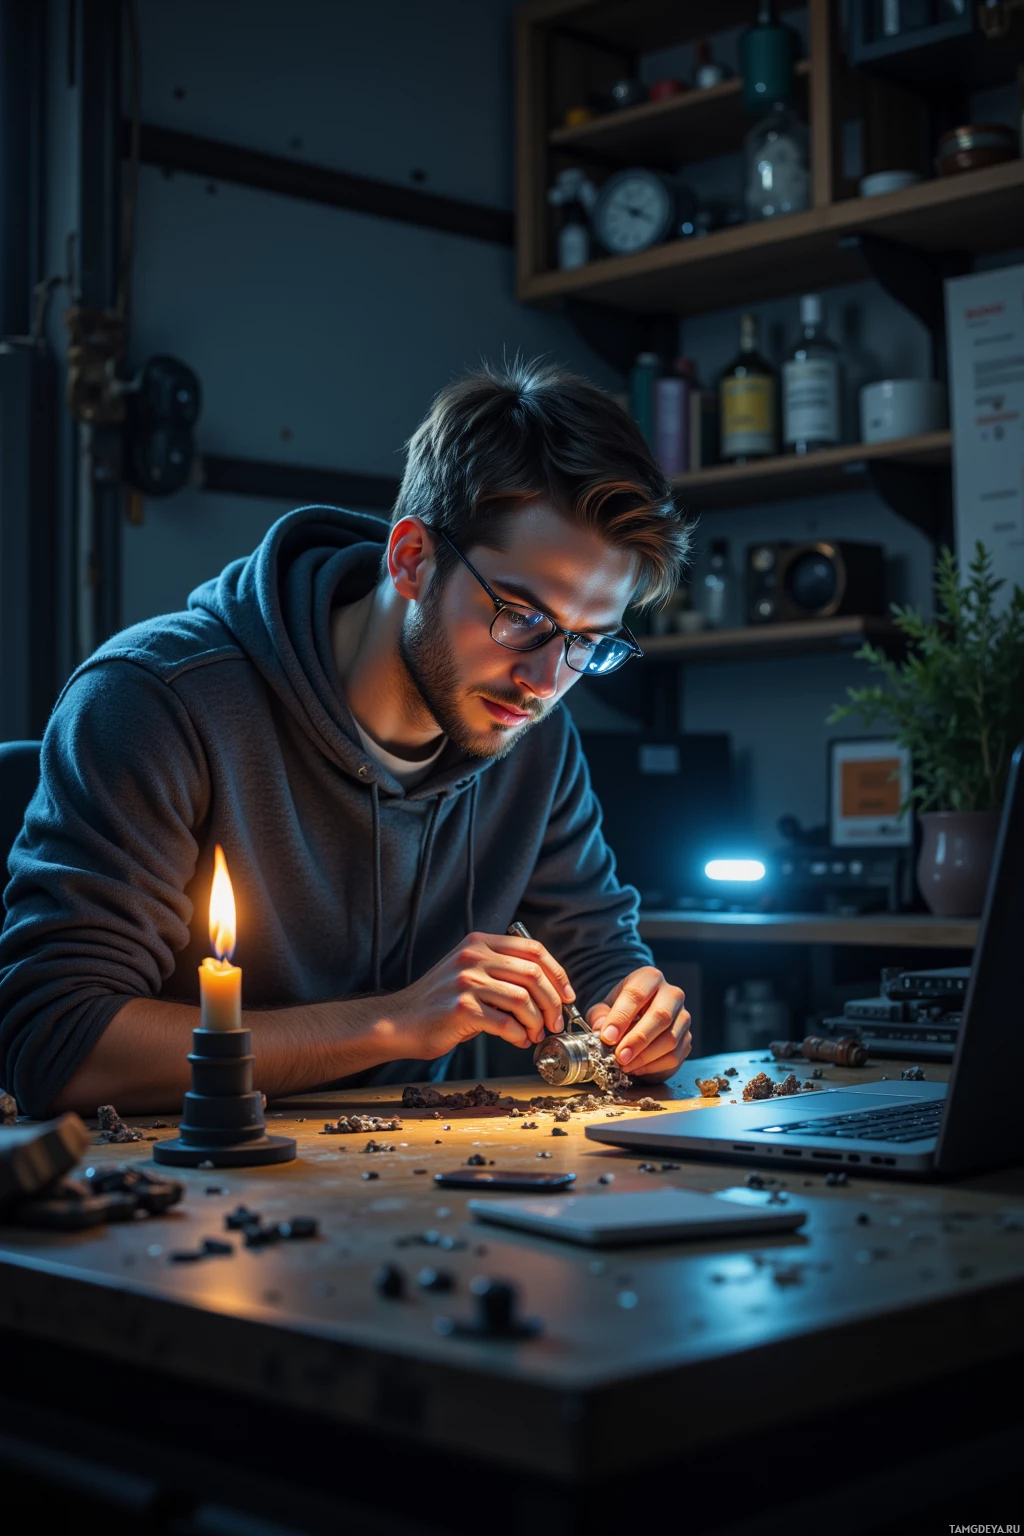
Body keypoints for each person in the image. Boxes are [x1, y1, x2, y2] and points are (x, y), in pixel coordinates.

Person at [0, 360, 693, 1117]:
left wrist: (637, 1014)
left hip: (404, 1189)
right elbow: (58, 1045)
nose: (545, 679)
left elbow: (601, 955)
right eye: (521, 617)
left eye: (587, 643)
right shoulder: (154, 700)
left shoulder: (534, 738)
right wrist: (393, 1021)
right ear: (410, 559)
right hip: (172, 1191)